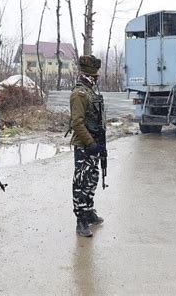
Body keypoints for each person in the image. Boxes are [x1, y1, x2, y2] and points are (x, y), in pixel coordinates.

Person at [69, 55, 106, 237]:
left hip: (93, 144)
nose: (97, 77)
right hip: (84, 146)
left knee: (92, 180)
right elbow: (77, 123)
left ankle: (89, 211)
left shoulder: (90, 91)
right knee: (81, 182)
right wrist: (90, 143)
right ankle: (81, 220)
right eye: (95, 74)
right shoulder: (80, 94)